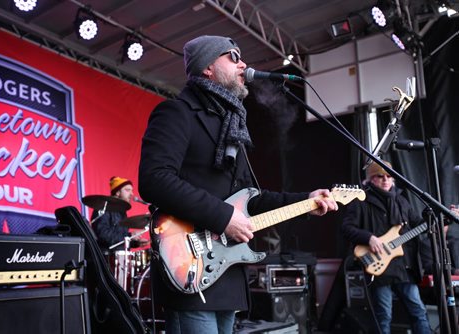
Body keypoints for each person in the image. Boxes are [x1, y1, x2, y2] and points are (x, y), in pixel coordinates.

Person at [138, 35, 338, 334]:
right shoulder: (177, 113)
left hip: (226, 273)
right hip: (190, 263)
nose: (243, 63)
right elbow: (154, 179)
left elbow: (251, 200)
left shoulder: (232, 127)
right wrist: (223, 217)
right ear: (207, 67)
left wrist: (306, 200)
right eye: (232, 56)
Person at [341, 160, 431, 334]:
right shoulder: (361, 200)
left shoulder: (402, 201)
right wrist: (369, 238)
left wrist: (440, 220)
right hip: (380, 269)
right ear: (371, 179)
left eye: (389, 176)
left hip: (403, 268)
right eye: (380, 176)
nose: (385, 180)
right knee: (384, 316)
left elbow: (419, 224)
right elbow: (346, 228)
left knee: (419, 312)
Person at [91, 176, 139, 249]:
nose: (132, 194)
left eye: (131, 190)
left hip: (121, 255)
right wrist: (129, 236)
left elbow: (119, 239)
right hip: (106, 256)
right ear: (117, 192)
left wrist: (136, 243)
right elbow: (102, 234)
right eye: (127, 190)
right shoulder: (104, 208)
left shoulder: (122, 211)